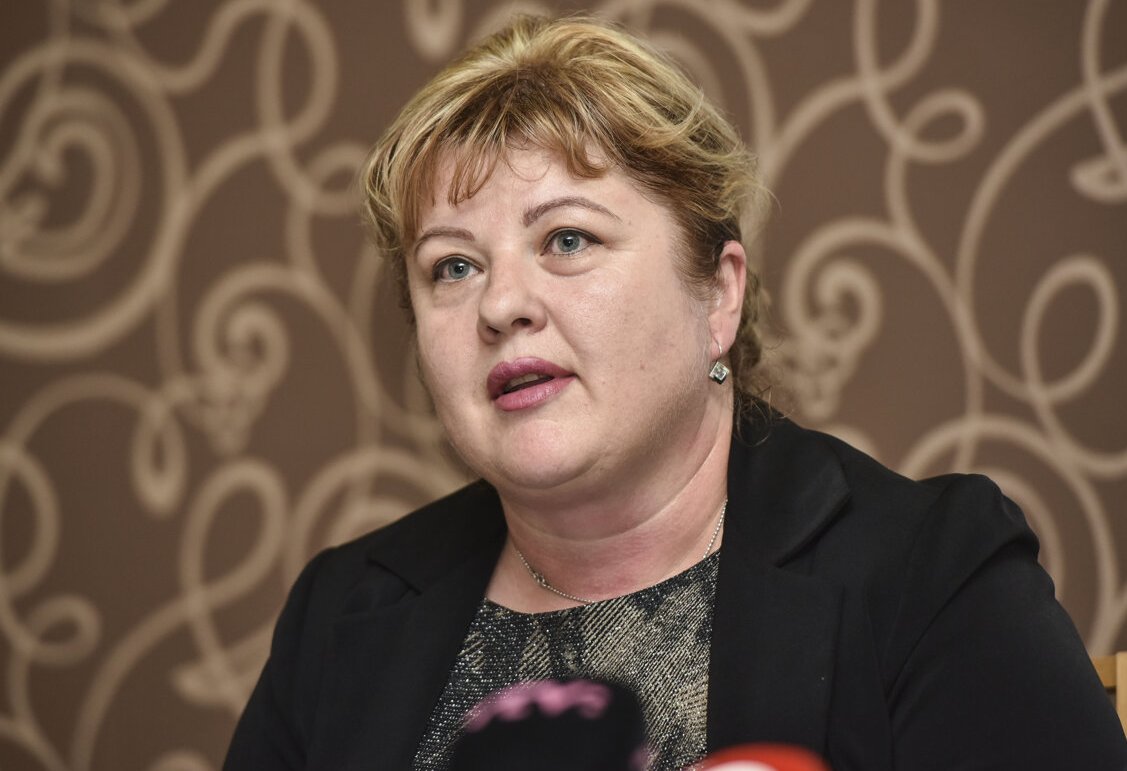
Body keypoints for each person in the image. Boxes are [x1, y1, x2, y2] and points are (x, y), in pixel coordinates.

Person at [224, 13, 1127, 771]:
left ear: (718, 295)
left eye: (567, 240)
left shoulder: (930, 575)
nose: (500, 305)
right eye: (452, 266)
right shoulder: (342, 612)